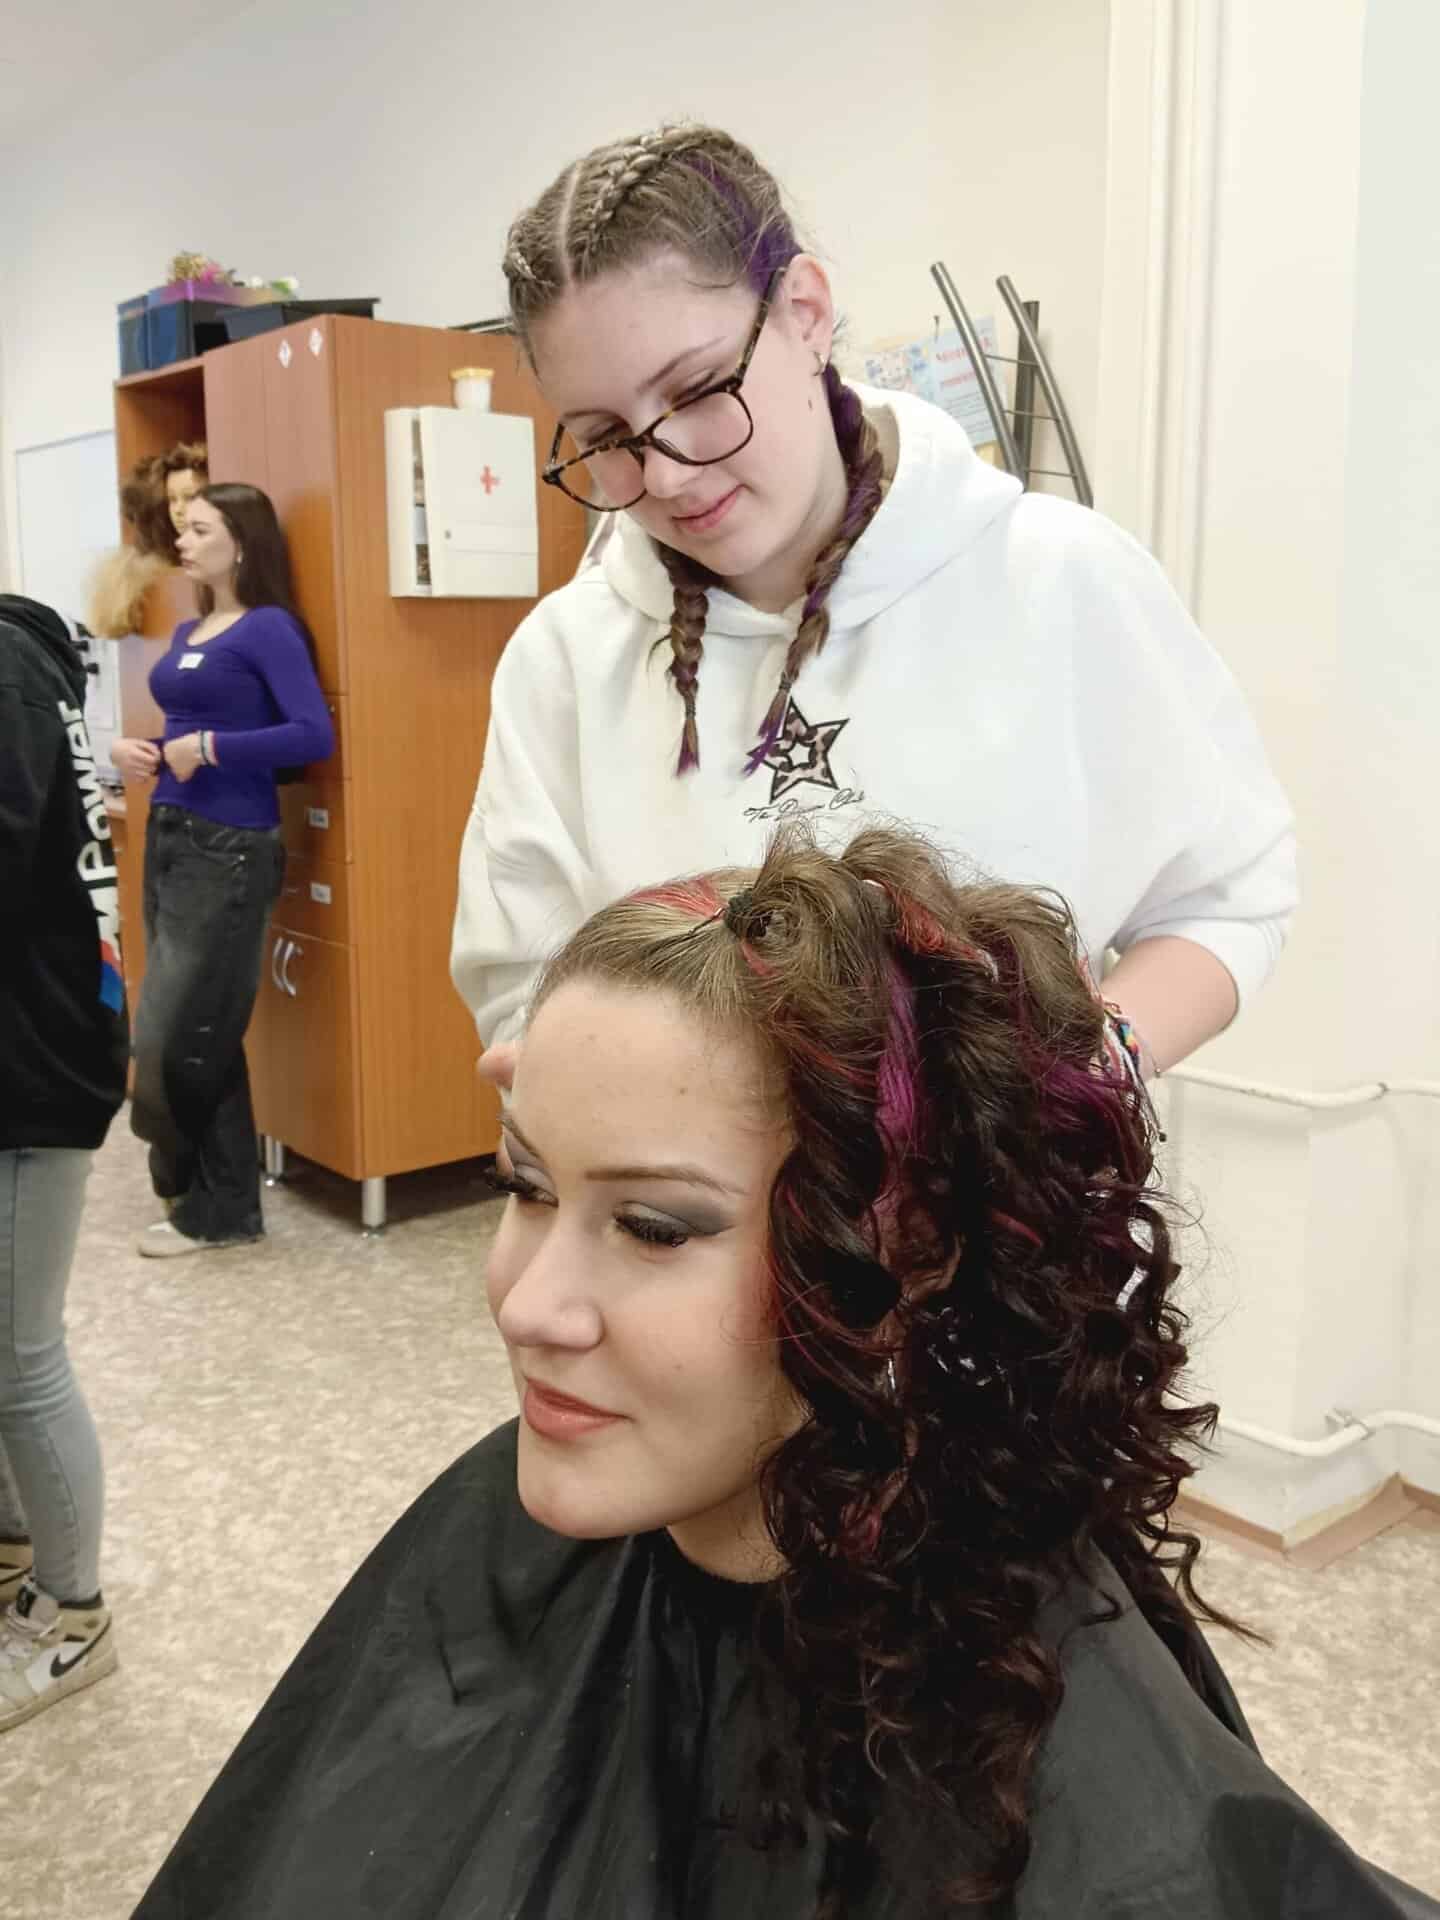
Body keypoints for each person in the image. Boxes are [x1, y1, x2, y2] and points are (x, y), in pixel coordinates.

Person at [134, 829, 1433, 1918]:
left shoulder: (1088, 1798)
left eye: (653, 1227)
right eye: (525, 1183)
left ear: (911, 1253)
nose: (526, 1305)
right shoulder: (512, 1517)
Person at [451, 123, 1297, 1092]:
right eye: (606, 436)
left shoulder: (1061, 579)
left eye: (698, 389)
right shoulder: (564, 662)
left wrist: (1071, 1088)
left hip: (1009, 1186)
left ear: (806, 312)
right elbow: (525, 987)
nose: (668, 473)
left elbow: (1225, 897)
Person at [111, 483, 333, 1256]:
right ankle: (217, 1202)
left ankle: (206, 1199)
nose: (183, 541)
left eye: (199, 529)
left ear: (241, 542)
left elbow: (311, 733)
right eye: (183, 528)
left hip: (230, 844)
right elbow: (183, 727)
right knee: (192, 1025)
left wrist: (207, 749)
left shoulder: (269, 629)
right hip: (171, 833)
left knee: (181, 1033)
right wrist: (139, 752)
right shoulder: (189, 629)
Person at [0, 595, 126, 1729]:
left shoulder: (2, 666)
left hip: (32, 1063)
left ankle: (74, 1613)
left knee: (21, 1356)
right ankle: (15, 1555)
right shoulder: (23, 660)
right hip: (43, 1037)